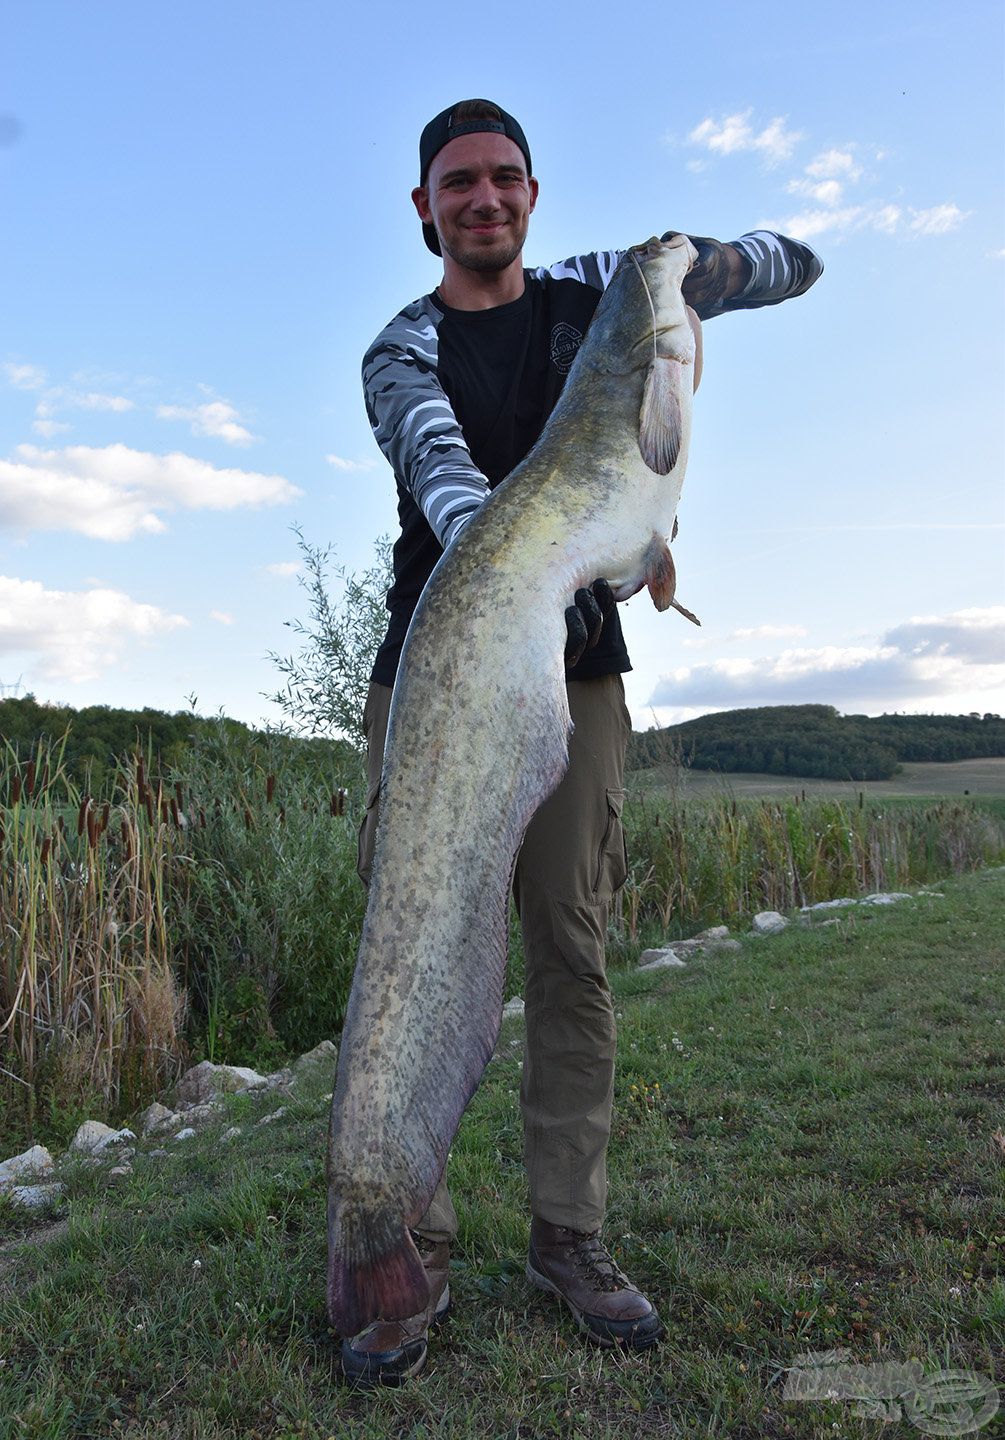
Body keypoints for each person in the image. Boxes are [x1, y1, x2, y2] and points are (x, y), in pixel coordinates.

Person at [344, 98, 823, 1385]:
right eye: (459, 184)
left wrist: (709, 270)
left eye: (504, 178)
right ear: (425, 207)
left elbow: (797, 261)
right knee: (416, 930)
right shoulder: (402, 349)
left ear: (534, 192)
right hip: (440, 674)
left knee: (570, 945)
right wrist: (549, 542)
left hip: (584, 678)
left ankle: (572, 1235)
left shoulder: (603, 295)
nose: (484, 199)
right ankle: (404, 1243)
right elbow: (450, 495)